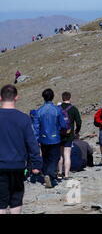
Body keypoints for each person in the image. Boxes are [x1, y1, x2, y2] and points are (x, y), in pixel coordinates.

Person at [0, 85, 42, 214]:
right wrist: (36, 163)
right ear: (16, 98)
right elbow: (31, 143)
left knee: (0, 200)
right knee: (16, 199)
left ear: (0, 98)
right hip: (18, 165)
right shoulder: (23, 118)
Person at [34, 89, 67, 188]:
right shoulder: (57, 110)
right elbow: (63, 125)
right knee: (55, 157)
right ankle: (50, 175)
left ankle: (46, 174)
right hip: (55, 138)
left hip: (43, 138)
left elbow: (36, 127)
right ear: (52, 97)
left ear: (43, 97)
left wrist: (36, 139)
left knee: (45, 157)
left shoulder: (39, 111)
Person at [57, 92, 82, 180]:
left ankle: (60, 173)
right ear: (69, 98)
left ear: (62, 98)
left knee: (60, 154)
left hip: (59, 134)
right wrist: (76, 131)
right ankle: (67, 174)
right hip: (69, 134)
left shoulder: (57, 108)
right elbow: (79, 122)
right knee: (67, 154)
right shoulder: (74, 109)